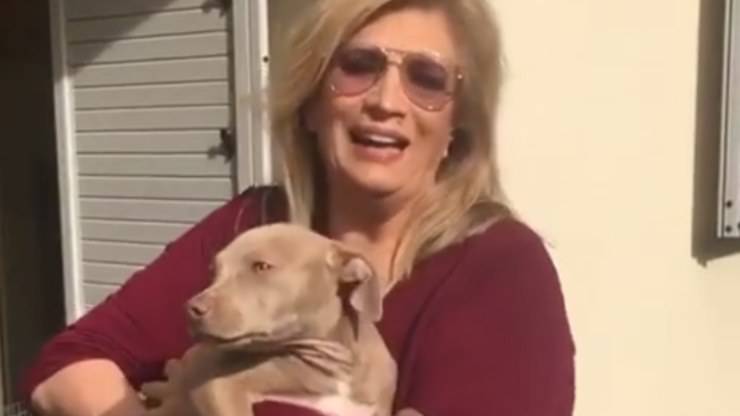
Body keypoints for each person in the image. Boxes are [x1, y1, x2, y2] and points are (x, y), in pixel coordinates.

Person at [22, 0, 575, 415]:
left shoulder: (498, 268)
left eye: (426, 80)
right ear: (310, 103)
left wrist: (208, 395)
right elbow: (66, 368)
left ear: (458, 126)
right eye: (357, 66)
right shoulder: (254, 227)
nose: (386, 102)